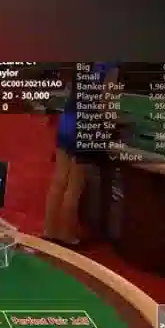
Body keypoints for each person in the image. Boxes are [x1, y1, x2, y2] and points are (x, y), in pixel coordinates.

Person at [43, 62, 120, 247]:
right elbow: (105, 105)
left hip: (68, 119)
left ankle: (49, 231)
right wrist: (114, 124)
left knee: (59, 179)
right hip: (85, 124)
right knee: (75, 185)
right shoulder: (111, 66)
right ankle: (67, 235)